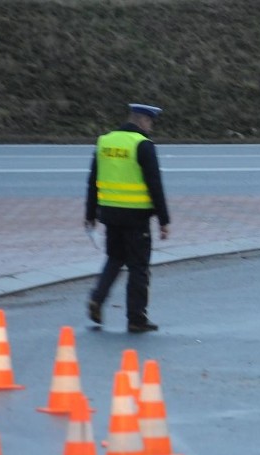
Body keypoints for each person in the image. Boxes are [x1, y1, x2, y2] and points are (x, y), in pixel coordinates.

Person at [85, 103, 171, 333]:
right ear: (142, 120)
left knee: (114, 258)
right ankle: (136, 319)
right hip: (136, 217)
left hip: (110, 215)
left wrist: (90, 214)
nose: (150, 127)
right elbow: (155, 185)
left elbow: (92, 181)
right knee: (138, 267)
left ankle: (97, 298)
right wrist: (164, 220)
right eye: (150, 122)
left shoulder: (105, 142)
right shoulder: (143, 145)